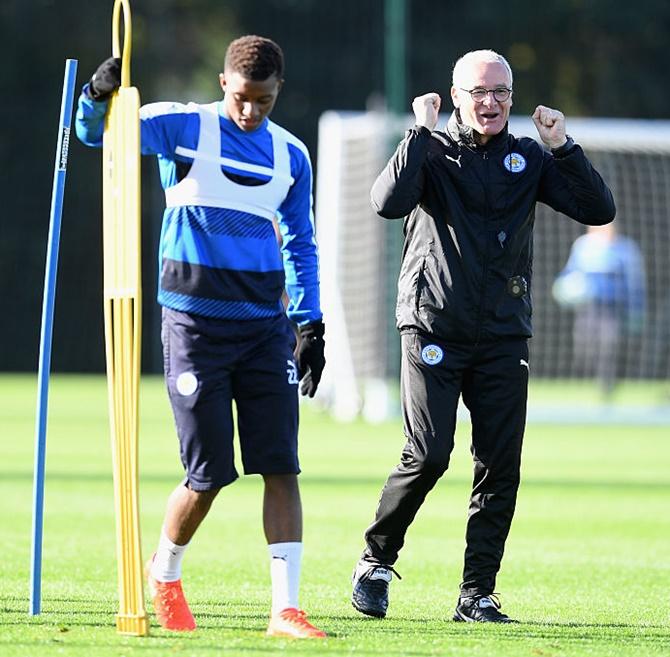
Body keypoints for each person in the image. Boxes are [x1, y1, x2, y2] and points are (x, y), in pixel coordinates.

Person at [350, 49, 615, 623]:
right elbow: (385, 202)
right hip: (432, 324)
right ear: (455, 96)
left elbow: (599, 207)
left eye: (500, 92)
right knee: (429, 453)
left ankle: (476, 596)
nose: (489, 102)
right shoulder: (431, 151)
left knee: (501, 465)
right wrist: (417, 132)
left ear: (512, 99)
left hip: (501, 332)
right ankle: (374, 560)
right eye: (478, 92)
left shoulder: (529, 158)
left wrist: (562, 148)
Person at [76, 35, 327, 638]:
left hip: (265, 331)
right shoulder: (181, 127)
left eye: (263, 100)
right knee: (209, 474)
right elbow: (99, 138)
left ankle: (285, 610)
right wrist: (95, 97)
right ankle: (163, 573)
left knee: (280, 465)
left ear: (278, 93)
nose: (251, 111)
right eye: (242, 97)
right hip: (193, 327)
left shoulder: (291, 155)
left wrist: (310, 322)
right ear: (223, 84)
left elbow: (300, 241)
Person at [552, 223, 645, 396]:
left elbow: (634, 281)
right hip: (588, 307)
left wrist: (635, 308)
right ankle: (584, 379)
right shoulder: (583, 247)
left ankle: (606, 385)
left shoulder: (624, 250)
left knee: (609, 345)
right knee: (585, 345)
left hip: (611, 308)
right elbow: (569, 272)